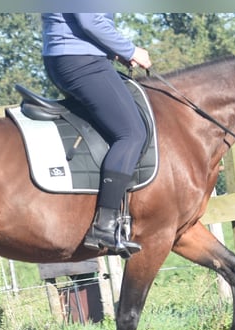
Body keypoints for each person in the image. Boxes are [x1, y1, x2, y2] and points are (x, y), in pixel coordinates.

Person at [41, 13, 152, 258]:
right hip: (81, 60)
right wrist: (131, 50)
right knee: (132, 134)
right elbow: (90, 20)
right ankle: (105, 224)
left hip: (68, 57)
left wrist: (113, 50)